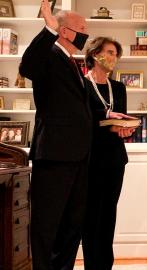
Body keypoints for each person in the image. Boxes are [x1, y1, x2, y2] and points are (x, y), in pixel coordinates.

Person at [19, 1, 92, 269]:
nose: (86, 33)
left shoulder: (72, 61)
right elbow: (27, 67)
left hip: (78, 157)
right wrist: (48, 29)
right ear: (64, 31)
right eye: (82, 28)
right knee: (47, 224)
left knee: (72, 225)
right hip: (54, 156)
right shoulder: (48, 54)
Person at [82, 37, 135, 270]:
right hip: (91, 159)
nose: (113, 58)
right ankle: (92, 265)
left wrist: (126, 129)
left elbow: (121, 120)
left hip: (115, 160)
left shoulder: (119, 87)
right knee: (91, 215)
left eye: (116, 54)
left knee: (108, 215)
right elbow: (82, 122)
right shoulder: (81, 84)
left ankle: (106, 265)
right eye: (110, 52)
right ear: (95, 55)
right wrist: (107, 125)